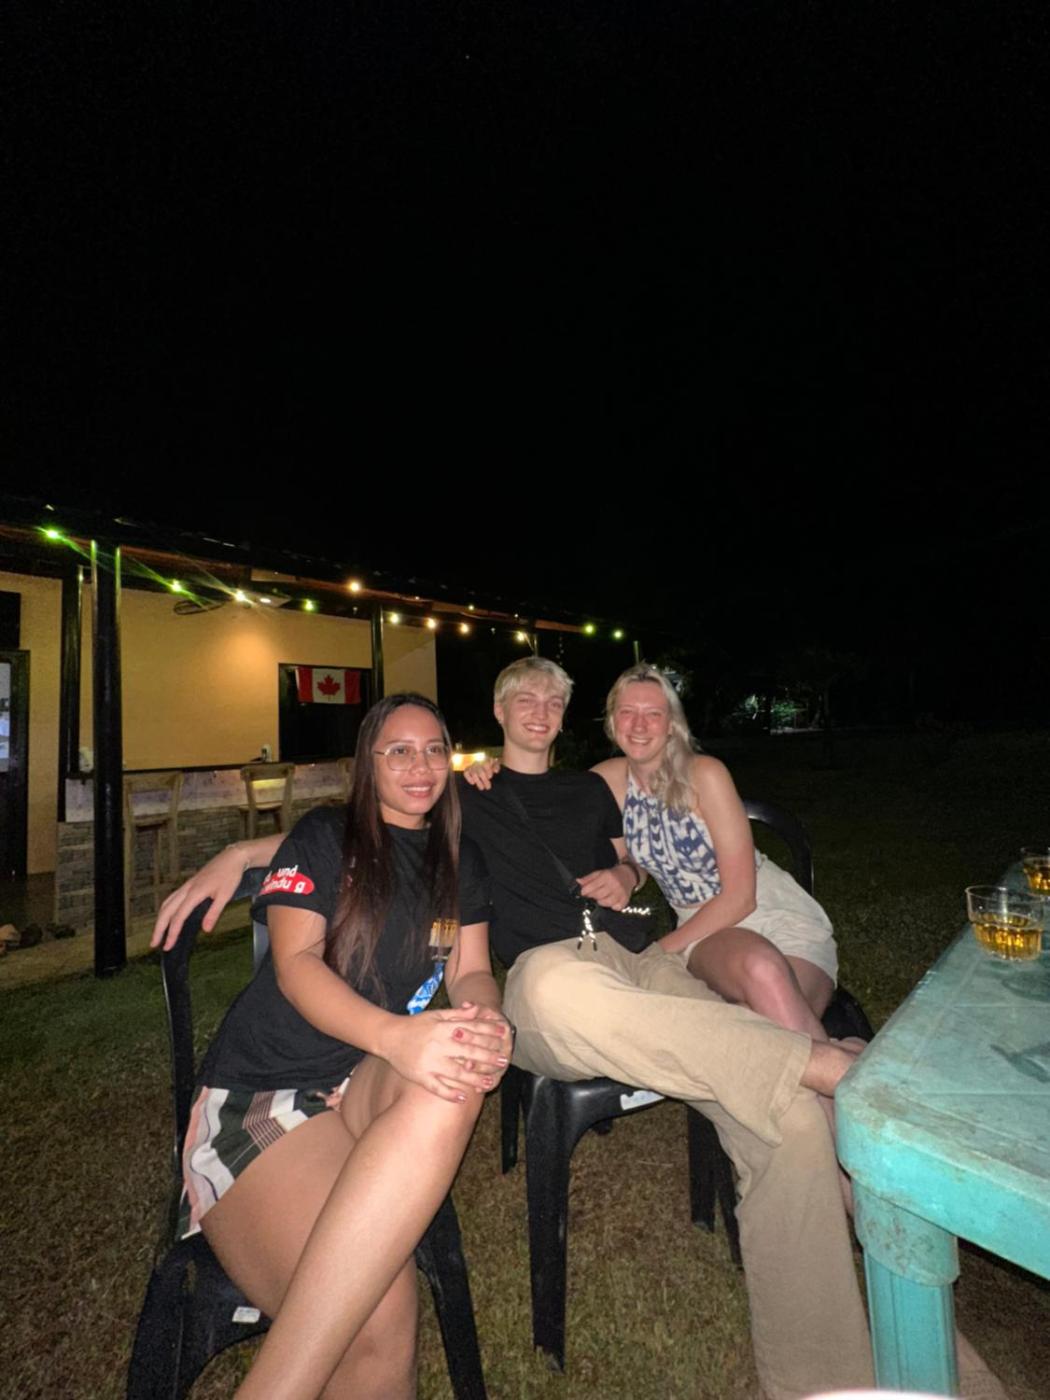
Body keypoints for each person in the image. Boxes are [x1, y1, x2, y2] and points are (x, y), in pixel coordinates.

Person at [157, 662, 872, 1400]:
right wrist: (239, 853)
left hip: (643, 965)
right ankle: (821, 1062)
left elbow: (622, 860)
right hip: (546, 977)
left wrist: (626, 879)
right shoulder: (464, 799)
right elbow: (345, 843)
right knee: (555, 989)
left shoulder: (576, 795)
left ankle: (830, 1382)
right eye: (399, 751)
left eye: (553, 699)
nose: (539, 709)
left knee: (792, 1121)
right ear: (494, 714)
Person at [158, 693, 510, 1400]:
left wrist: (485, 1019)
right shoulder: (325, 836)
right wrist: (396, 1036)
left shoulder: (458, 857)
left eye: (434, 749)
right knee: (378, 1327)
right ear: (367, 765)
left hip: (361, 1080)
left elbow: (471, 969)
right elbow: (295, 967)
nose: (420, 765)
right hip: (263, 1093)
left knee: (455, 1070)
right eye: (398, 751)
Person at [595, 662, 838, 1039]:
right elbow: (545, 802)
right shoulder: (606, 781)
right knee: (761, 972)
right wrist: (491, 774)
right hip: (705, 933)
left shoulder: (705, 773)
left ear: (671, 724)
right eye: (628, 712)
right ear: (612, 721)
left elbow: (741, 898)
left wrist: (657, 953)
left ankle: (840, 1061)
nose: (639, 725)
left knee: (761, 1036)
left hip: (776, 914)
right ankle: (850, 1058)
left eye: (653, 713)